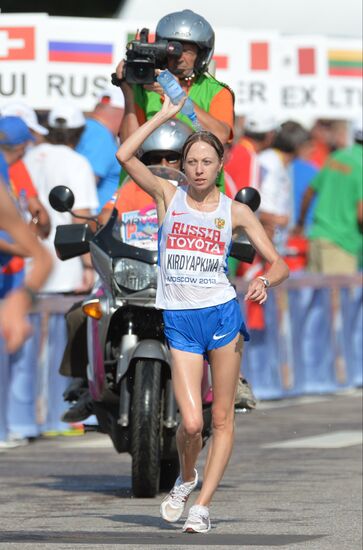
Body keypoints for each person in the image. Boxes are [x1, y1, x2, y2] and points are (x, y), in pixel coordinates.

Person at [116, 96, 289, 533]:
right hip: (180, 320)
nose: (197, 169)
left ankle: (203, 505)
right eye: (190, 161)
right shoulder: (167, 195)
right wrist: (163, 116)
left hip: (222, 317)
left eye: (206, 161)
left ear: (219, 165)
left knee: (221, 419)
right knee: (191, 424)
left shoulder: (236, 211)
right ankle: (186, 477)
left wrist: (264, 280)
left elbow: (279, 262)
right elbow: (124, 154)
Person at [116, 9, 234, 190]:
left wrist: (175, 93)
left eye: (187, 51)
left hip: (199, 192)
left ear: (201, 55)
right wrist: (128, 92)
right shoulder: (143, 87)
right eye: (172, 50)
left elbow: (220, 136)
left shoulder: (217, 92)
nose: (179, 57)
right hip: (145, 189)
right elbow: (128, 145)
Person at [295, 118, 363, 274]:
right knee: (338, 298)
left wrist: (301, 223)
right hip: (342, 244)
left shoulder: (337, 156)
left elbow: (310, 191)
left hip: (317, 237)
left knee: (319, 297)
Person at [76, 86, 125, 208]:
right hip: (90, 220)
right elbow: (84, 184)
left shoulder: (86, 128)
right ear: (121, 113)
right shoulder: (100, 136)